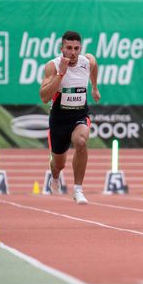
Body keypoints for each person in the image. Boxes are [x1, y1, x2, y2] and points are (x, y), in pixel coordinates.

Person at [40, 31, 101, 205]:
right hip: (59, 120)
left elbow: (94, 65)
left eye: (76, 48)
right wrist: (60, 74)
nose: (73, 52)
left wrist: (94, 87)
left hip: (79, 116)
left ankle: (78, 190)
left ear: (80, 49)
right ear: (62, 49)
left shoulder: (86, 62)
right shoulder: (53, 66)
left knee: (81, 142)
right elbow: (44, 97)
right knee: (59, 164)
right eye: (69, 48)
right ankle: (55, 176)